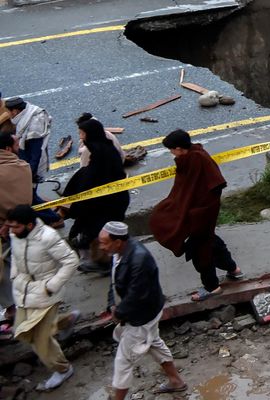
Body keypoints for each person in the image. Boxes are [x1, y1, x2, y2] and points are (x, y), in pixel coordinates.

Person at [149, 129, 244, 302]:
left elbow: (213, 186)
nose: (171, 153)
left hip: (201, 214)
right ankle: (233, 269)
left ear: (178, 148)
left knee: (201, 249)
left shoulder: (197, 159)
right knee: (211, 241)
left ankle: (212, 287)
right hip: (200, 212)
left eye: (171, 150)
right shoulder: (192, 155)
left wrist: (195, 213)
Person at [99, 222, 188, 399]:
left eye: (104, 243)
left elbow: (136, 295)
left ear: (118, 242)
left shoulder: (139, 260)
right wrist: (112, 304)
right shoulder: (119, 253)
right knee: (154, 342)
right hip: (144, 311)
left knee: (123, 361)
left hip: (141, 316)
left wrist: (119, 313)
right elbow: (114, 282)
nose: (101, 247)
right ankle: (176, 381)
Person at [5, 205, 79, 391]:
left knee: (40, 340)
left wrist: (51, 286)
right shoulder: (16, 235)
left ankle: (63, 369)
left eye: (16, 227)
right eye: (10, 226)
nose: (11, 231)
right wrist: (15, 274)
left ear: (29, 225)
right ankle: (64, 322)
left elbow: (71, 260)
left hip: (46, 294)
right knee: (22, 331)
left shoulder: (48, 237)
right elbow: (15, 254)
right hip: (23, 290)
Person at [58, 114, 130, 274]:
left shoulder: (96, 153)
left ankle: (105, 264)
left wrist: (75, 206)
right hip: (109, 201)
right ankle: (103, 262)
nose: (81, 137)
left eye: (82, 134)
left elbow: (91, 182)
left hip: (106, 203)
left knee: (95, 233)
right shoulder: (104, 147)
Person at [0, 132, 33, 328]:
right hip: (19, 228)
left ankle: (12, 307)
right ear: (7, 149)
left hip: (3, 230)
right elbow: (24, 199)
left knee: (4, 271)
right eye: (16, 144)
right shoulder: (22, 167)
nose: (19, 147)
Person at [5, 98, 51, 183]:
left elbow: (36, 155)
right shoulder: (23, 114)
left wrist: (29, 176)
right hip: (23, 162)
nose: (7, 114)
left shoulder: (34, 126)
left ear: (15, 112)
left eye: (7, 111)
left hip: (30, 168)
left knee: (31, 195)